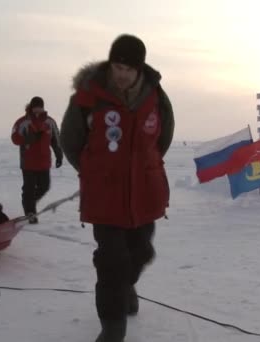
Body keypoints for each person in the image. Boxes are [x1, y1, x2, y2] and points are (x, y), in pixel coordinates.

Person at [59, 34, 174, 342]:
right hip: (104, 195)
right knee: (111, 261)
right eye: (117, 66)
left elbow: (162, 139)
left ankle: (126, 287)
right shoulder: (88, 98)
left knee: (141, 250)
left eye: (129, 68)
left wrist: (143, 168)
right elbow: (70, 141)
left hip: (145, 193)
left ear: (139, 70)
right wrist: (95, 172)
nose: (122, 74)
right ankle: (112, 328)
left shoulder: (155, 97)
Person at [11, 96, 63, 224]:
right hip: (28, 162)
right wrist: (27, 139)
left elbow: (56, 139)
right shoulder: (23, 122)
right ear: (31, 107)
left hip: (44, 162)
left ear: (43, 107)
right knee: (29, 188)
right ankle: (30, 213)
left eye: (40, 107)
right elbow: (14, 138)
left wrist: (59, 154)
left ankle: (28, 203)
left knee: (44, 187)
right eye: (35, 107)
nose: (37, 110)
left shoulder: (50, 122)